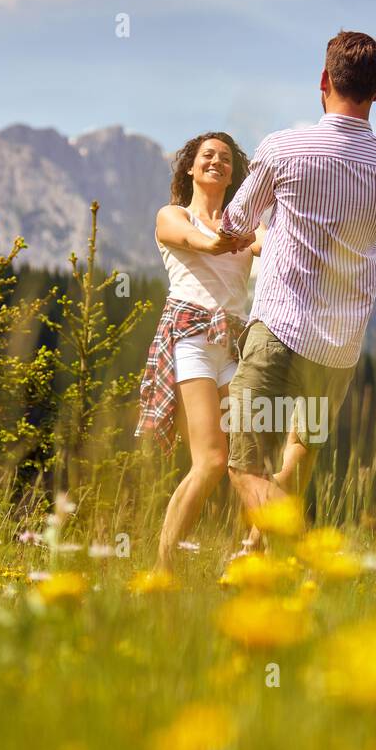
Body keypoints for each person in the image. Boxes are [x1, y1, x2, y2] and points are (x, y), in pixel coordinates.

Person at [217, 30, 376, 528]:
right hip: (339, 349)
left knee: (242, 464)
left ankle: (305, 548)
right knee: (297, 459)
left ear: (324, 80)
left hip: (279, 332)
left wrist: (269, 229)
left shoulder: (283, 148)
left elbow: (235, 225)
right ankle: (262, 571)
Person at [135, 131, 265, 569]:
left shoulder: (248, 223)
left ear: (233, 174)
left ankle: (254, 556)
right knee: (210, 461)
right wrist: (224, 239)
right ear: (191, 167)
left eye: (226, 159)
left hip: (231, 346)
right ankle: (163, 565)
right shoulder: (172, 215)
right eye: (207, 156)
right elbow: (196, 241)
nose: (217, 162)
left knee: (252, 460)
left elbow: (273, 247)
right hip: (190, 339)